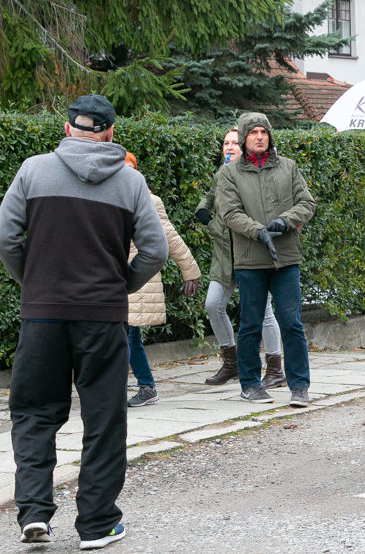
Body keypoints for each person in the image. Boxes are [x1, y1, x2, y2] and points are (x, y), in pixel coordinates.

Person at [0, 94, 167, 548]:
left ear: (68, 126)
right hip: (102, 316)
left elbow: (6, 236)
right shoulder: (131, 182)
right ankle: (97, 524)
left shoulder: (33, 170)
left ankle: (34, 513)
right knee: (104, 418)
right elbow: (156, 250)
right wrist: (122, 286)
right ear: (111, 132)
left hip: (42, 314)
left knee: (34, 412)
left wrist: (30, 282)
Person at [217, 113, 316, 405]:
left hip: (285, 258)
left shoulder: (288, 167)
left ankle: (299, 385)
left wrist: (284, 222)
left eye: (264, 132)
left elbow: (306, 203)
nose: (259, 136)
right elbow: (230, 213)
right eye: (253, 132)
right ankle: (250, 384)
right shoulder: (229, 173)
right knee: (250, 323)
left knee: (291, 322)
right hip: (250, 260)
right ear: (244, 138)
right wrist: (258, 231)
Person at [195, 128, 284, 389]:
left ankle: (275, 368)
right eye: (225, 143)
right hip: (225, 255)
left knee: (263, 311)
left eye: (234, 142)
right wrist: (204, 212)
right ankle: (231, 362)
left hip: (252, 253)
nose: (229, 147)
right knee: (213, 304)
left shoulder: (254, 174)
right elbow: (210, 198)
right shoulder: (221, 174)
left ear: (244, 146)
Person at [125, 152, 201, 407]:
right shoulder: (110, 197)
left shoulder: (149, 201)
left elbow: (171, 237)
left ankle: (142, 387)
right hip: (113, 278)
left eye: (129, 167)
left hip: (136, 279)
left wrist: (190, 271)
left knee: (125, 334)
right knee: (125, 335)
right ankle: (145, 386)